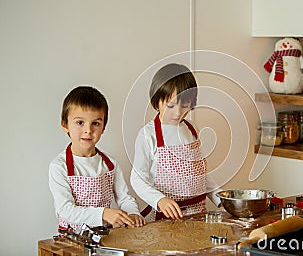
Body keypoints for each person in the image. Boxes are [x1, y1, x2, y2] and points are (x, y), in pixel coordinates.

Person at [130, 63, 221, 222]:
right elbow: (138, 179)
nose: (178, 112)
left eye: (185, 105)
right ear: (156, 99)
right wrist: (160, 200)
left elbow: (200, 175)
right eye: (170, 105)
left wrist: (221, 200)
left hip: (198, 216)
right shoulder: (148, 135)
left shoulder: (192, 129)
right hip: (165, 219)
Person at [49, 86, 145, 230]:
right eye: (80, 122)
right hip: (72, 240)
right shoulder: (59, 166)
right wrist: (103, 214)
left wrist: (132, 213)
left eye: (95, 123)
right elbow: (65, 210)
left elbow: (124, 198)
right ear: (65, 125)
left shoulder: (111, 164)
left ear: (103, 128)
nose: (88, 130)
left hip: (106, 237)